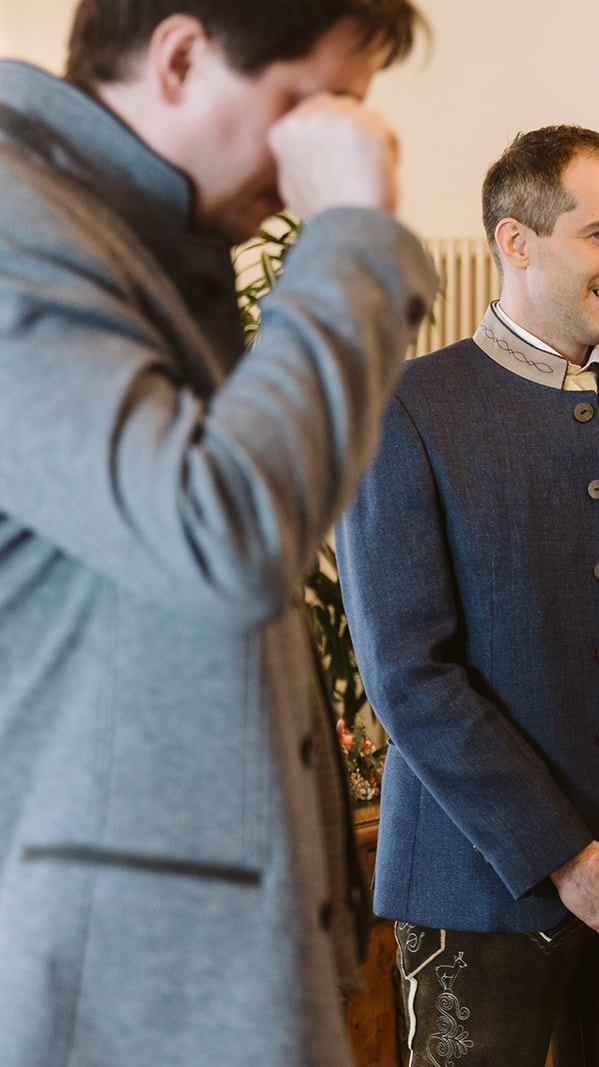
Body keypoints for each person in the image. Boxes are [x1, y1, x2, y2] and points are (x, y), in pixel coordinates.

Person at [0, 2, 435, 1065]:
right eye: (302, 107)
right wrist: (351, 243)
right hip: (100, 980)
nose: (305, 165)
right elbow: (223, 534)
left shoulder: (131, 232)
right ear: (182, 56)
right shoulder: (18, 226)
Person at [335, 125, 599, 1067]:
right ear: (515, 241)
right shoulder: (404, 411)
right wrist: (568, 856)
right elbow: (409, 676)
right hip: (479, 881)